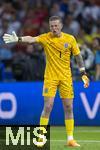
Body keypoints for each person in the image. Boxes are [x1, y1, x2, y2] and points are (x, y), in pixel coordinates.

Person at [3, 16, 89, 147]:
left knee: (69, 107)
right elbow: (32, 39)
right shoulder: (46, 38)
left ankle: (70, 139)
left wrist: (83, 72)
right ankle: (41, 137)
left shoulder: (70, 39)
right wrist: (19, 39)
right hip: (50, 78)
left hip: (66, 77)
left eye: (56, 26)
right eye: (51, 26)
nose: (53, 28)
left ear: (61, 26)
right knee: (48, 106)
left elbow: (78, 56)